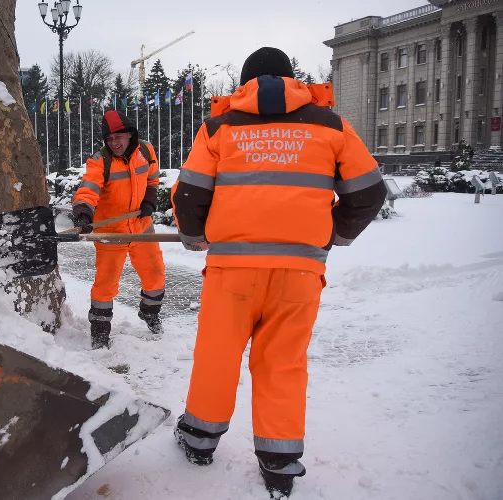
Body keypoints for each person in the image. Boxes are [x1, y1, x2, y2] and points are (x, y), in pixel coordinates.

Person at [170, 47, 387, 498]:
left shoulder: (219, 128)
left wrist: (195, 236)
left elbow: (190, 193)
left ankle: (198, 440)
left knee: (218, 353)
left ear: (245, 84)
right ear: (293, 80)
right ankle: (280, 461)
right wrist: (334, 236)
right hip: (299, 273)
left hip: (232, 270)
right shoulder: (331, 126)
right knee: (283, 362)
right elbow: (368, 193)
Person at [71, 110, 166, 349]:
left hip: (141, 228)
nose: (114, 143)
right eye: (110, 139)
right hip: (110, 233)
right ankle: (100, 331)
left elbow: (153, 178)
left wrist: (149, 201)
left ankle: (150, 313)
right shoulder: (100, 160)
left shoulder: (146, 151)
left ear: (130, 135)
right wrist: (83, 212)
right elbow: (88, 188)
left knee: (155, 275)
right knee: (105, 285)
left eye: (119, 137)